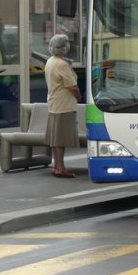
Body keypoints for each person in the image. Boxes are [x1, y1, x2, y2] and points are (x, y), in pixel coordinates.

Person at [44, 34, 81, 177]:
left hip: (54, 103)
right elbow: (72, 87)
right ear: (64, 47)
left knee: (57, 139)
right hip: (64, 105)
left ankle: (58, 166)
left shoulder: (50, 62)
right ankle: (60, 168)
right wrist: (79, 97)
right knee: (61, 140)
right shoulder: (62, 64)